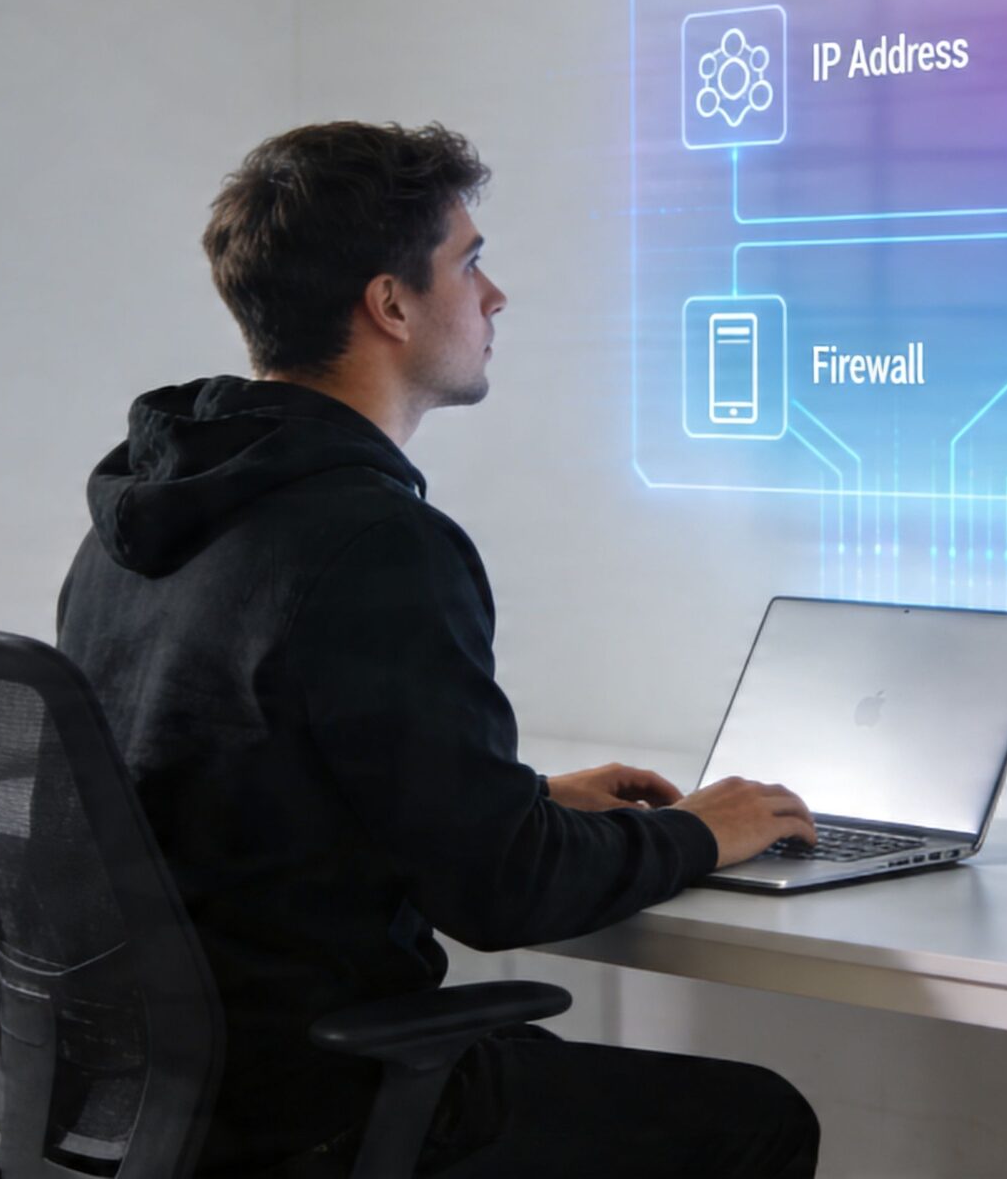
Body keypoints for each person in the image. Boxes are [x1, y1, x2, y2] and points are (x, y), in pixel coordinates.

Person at [56, 121, 823, 1177]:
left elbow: (230, 792)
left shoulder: (142, 522)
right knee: (755, 1120)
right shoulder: (374, 542)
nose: (494, 295)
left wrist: (520, 797)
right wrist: (700, 831)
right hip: (313, 1106)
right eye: (468, 261)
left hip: (150, 1097)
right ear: (390, 304)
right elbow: (503, 897)